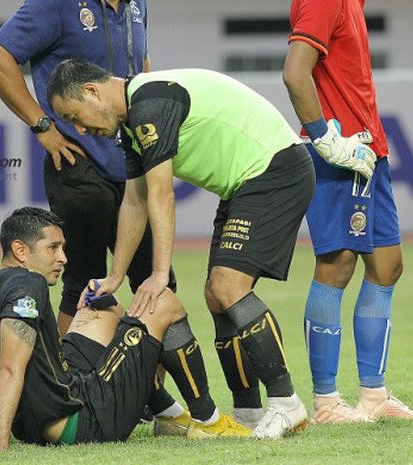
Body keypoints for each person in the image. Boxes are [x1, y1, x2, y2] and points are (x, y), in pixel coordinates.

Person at [47, 59, 315, 438]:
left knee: (229, 288)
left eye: (75, 115)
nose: (79, 129)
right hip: (244, 184)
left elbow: (160, 194)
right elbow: (134, 203)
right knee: (217, 296)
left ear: (91, 91)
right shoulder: (133, 126)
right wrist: (115, 275)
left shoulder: (149, 106)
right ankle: (250, 413)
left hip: (275, 170)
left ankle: (287, 404)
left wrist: (159, 274)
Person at [0, 0, 185, 432]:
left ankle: (155, 405)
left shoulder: (136, 6)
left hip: (131, 161)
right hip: (78, 162)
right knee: (84, 281)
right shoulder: (53, 5)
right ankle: (60, 391)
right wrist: (43, 126)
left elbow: (141, 69)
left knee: (158, 279)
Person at [0, 207, 249, 450]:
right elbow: (9, 368)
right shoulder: (28, 285)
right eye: (53, 248)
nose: (63, 258)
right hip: (83, 423)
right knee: (163, 301)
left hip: (37, 423)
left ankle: (167, 414)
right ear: (20, 250)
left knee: (100, 308)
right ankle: (207, 421)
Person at [281, 0, 413, 423]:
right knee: (337, 263)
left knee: (387, 265)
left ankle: (374, 395)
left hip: (367, 149)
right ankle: (326, 402)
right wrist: (325, 139)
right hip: (340, 152)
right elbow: (295, 72)